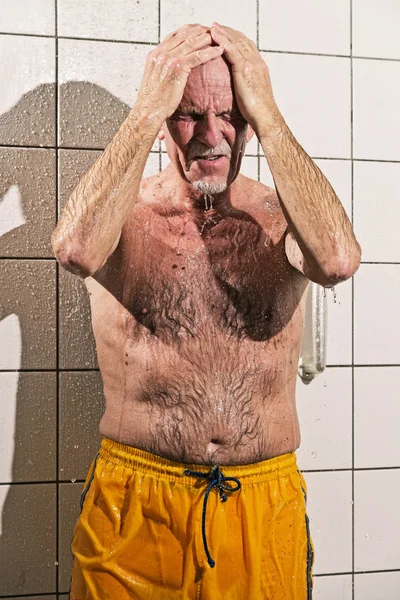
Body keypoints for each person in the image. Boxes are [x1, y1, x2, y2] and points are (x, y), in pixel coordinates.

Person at [52, 22, 361, 600]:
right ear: (166, 115)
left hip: (261, 504)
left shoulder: (277, 218)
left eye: (231, 115)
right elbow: (74, 249)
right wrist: (144, 109)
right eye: (189, 114)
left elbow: (339, 259)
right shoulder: (128, 215)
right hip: (135, 502)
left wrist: (268, 112)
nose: (211, 135)